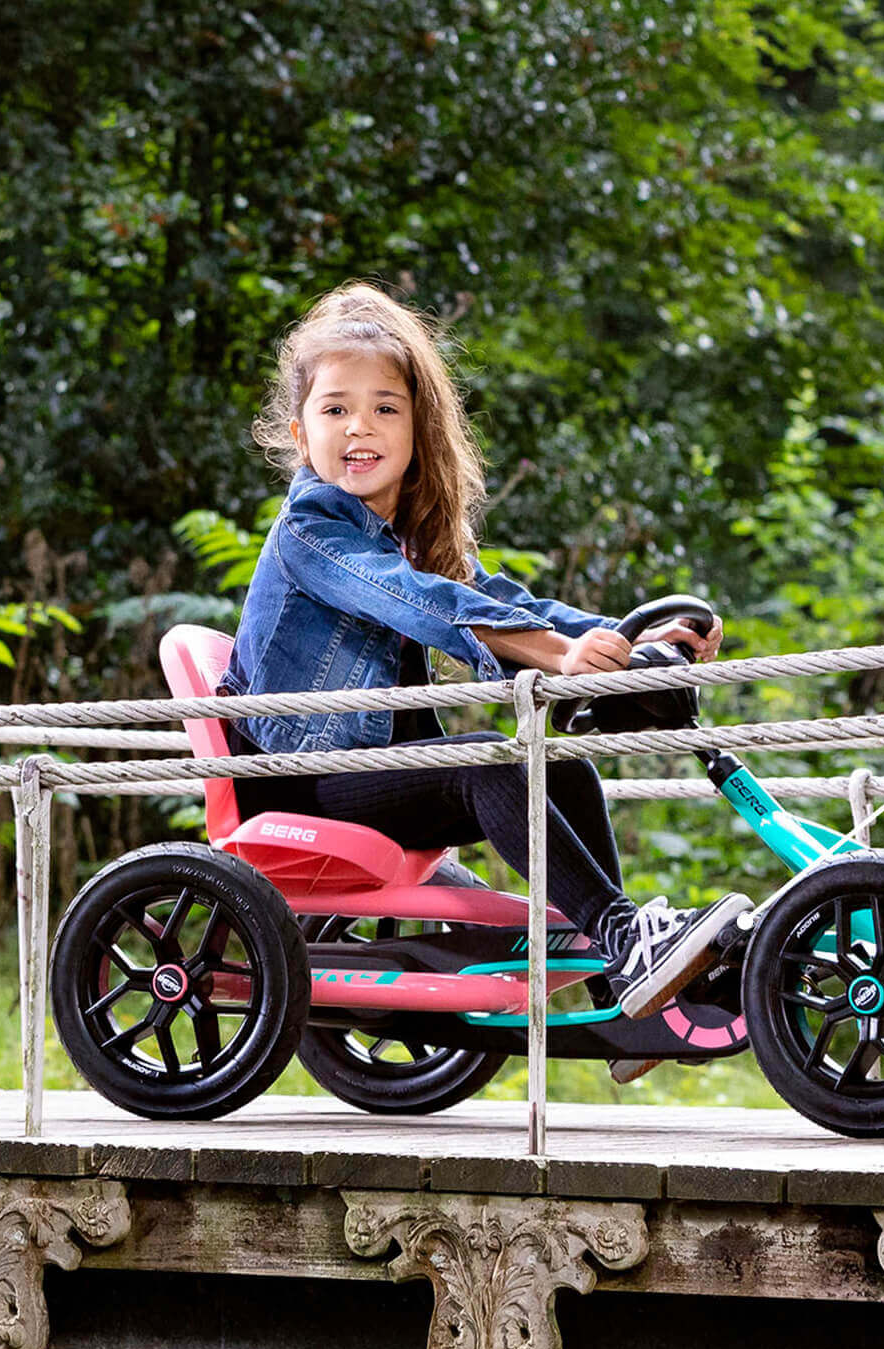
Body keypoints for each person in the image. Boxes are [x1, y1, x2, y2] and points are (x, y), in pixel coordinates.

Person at [217, 280, 752, 1024]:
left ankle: (620, 985)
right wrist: (560, 656)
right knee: (491, 765)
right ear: (302, 435)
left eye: (385, 408)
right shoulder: (310, 530)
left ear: (417, 429)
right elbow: (419, 601)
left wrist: (630, 637)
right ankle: (625, 938)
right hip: (300, 781)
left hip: (370, 775)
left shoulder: (410, 535)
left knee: (565, 770)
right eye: (335, 409)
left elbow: (510, 604)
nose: (359, 426)